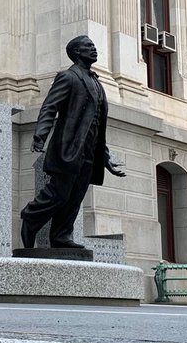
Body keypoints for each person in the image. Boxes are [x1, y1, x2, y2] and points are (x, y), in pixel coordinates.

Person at [20, 35, 126, 249]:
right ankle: (31, 217)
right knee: (59, 193)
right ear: (77, 52)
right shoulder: (68, 77)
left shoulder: (97, 83)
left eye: (94, 44)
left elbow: (95, 125)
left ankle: (61, 236)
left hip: (89, 152)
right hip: (68, 148)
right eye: (88, 46)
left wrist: (105, 157)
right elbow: (50, 107)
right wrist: (40, 135)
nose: (94, 48)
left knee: (75, 197)